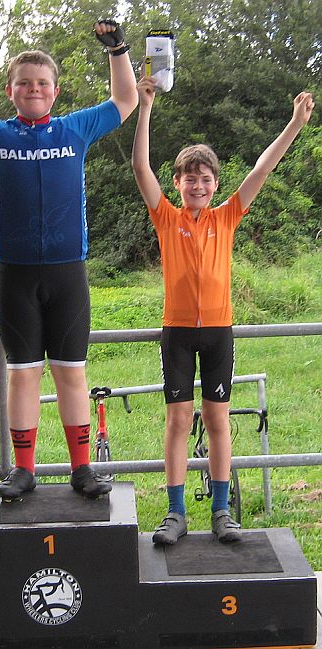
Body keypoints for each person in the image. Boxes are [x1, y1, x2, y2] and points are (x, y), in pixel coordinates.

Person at [0, 18, 138, 500]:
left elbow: (126, 100)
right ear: (10, 91)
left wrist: (117, 50)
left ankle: (82, 469)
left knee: (71, 373)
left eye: (41, 83)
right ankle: (23, 470)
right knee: (22, 375)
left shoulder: (76, 128)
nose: (33, 89)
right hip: (14, 275)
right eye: (24, 83)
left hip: (67, 273)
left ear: (55, 91)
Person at [132, 76, 314, 543]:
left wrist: (295, 124)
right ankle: (175, 513)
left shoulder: (227, 216)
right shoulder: (166, 217)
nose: (197, 185)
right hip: (177, 332)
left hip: (218, 332)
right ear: (177, 183)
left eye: (205, 179)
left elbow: (263, 168)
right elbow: (140, 166)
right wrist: (145, 107)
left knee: (217, 420)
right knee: (177, 421)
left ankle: (220, 511)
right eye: (189, 179)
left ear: (215, 184)